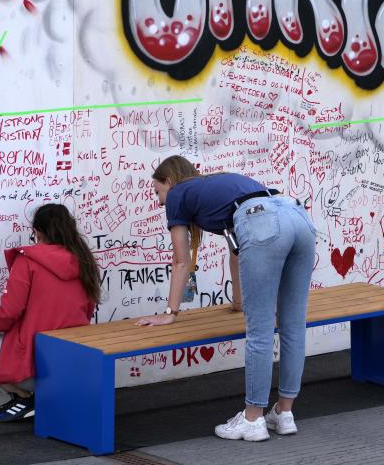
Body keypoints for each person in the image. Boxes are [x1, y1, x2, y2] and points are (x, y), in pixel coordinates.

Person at [136, 155, 317, 441]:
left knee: (259, 332)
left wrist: (171, 311)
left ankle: (252, 419)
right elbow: (240, 249)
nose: (160, 202)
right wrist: (238, 301)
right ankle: (284, 413)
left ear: (169, 181)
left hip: (263, 221)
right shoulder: (216, 184)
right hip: (297, 215)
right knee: (293, 326)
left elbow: (181, 261)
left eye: (158, 191)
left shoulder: (179, 194)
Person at [0, 203, 100, 422]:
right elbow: (89, 310)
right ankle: (35, 398)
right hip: (73, 362)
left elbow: (9, 312)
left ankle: (25, 398)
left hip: (34, 368)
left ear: (38, 231)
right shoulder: (84, 260)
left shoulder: (28, 261)